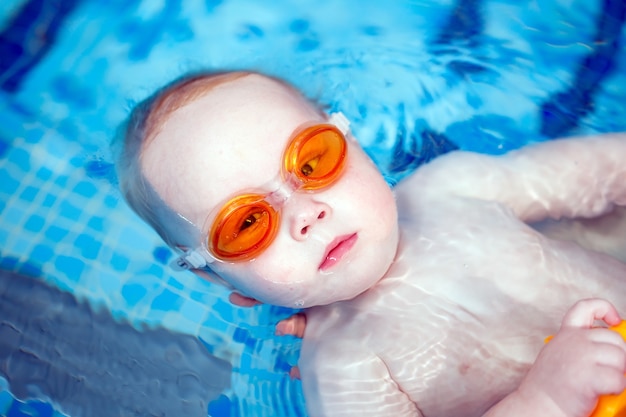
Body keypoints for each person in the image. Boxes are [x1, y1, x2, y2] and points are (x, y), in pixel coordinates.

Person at [114, 70, 626, 417]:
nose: (306, 214)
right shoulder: (343, 369)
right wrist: (547, 401)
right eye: (247, 224)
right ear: (215, 275)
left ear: (351, 141)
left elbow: (604, 170)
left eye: (312, 163)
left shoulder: (455, 188)